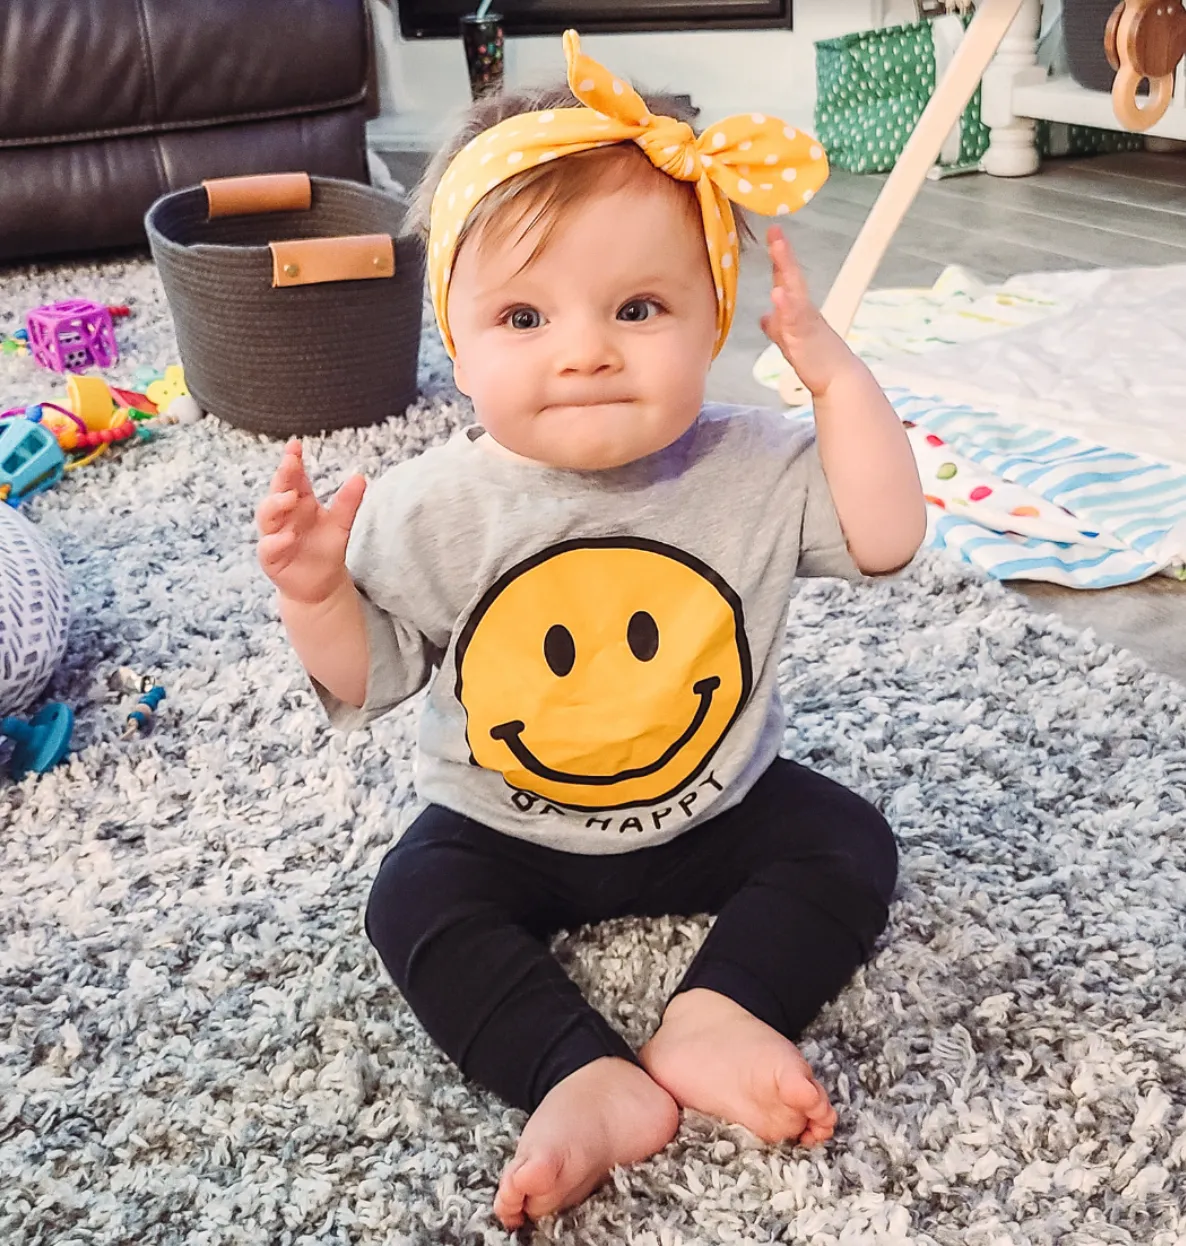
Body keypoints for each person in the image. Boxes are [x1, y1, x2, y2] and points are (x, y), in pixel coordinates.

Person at [256, 32, 926, 1232]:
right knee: (410, 903)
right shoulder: (429, 507)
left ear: (713, 318)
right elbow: (373, 674)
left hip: (718, 805)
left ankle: (720, 1010)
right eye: (522, 314)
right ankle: (576, 1073)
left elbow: (885, 536)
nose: (583, 349)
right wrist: (318, 596)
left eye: (637, 306)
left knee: (847, 843)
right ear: (455, 346)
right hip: (503, 826)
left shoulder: (758, 465)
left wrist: (840, 387)